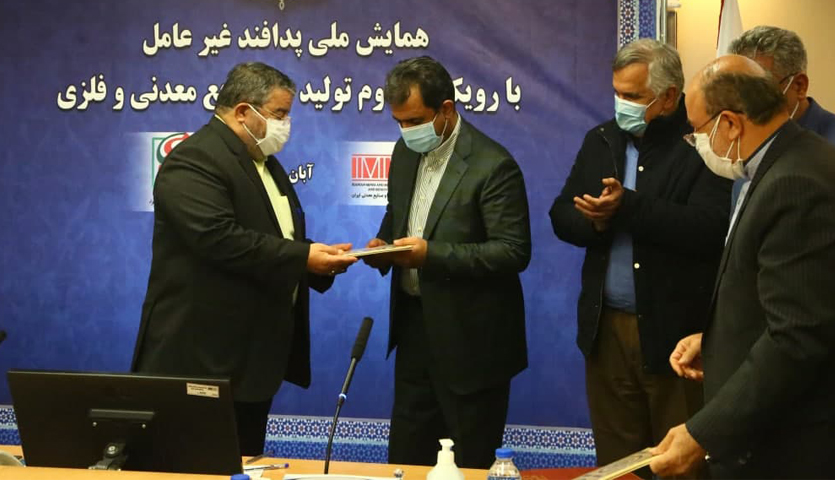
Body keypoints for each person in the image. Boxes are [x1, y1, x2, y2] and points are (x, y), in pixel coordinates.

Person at [131, 62, 356, 455]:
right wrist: (302, 257)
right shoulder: (194, 159)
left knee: (243, 466)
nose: (286, 125)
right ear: (242, 111)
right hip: (202, 362)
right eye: (279, 114)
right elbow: (218, 239)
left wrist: (318, 257)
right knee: (195, 468)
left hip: (252, 363)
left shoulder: (264, 162)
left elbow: (275, 238)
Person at [548, 39, 731, 473]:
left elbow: (710, 229)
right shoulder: (601, 139)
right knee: (618, 465)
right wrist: (596, 221)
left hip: (676, 338)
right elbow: (560, 215)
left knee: (679, 465)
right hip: (606, 331)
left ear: (669, 96)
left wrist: (627, 207)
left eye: (632, 96)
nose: (621, 105)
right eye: (617, 93)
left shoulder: (702, 143)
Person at [650, 55, 835, 478]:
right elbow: (783, 297)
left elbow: (796, 338)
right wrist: (717, 341)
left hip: (786, 449)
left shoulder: (796, 181)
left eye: (696, 131)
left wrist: (703, 434)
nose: (697, 143)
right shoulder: (783, 163)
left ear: (730, 124)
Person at [362, 56, 531, 469]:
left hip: (472, 342)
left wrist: (429, 254)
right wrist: (383, 246)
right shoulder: (404, 153)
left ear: (446, 110)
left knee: (468, 461)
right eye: (399, 122)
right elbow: (399, 214)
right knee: (407, 459)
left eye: (415, 121)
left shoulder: (493, 165)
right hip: (414, 329)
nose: (406, 131)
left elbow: (512, 251)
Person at [730, 25, 835, 143]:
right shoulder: (740, 137)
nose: (744, 102)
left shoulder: (829, 143)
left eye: (758, 89)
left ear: (799, 86)